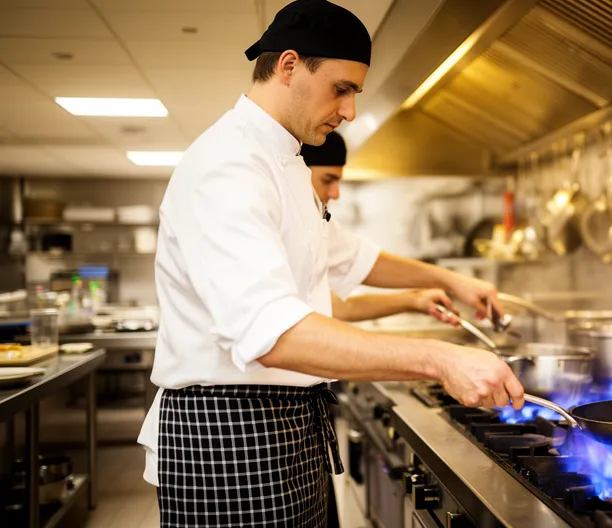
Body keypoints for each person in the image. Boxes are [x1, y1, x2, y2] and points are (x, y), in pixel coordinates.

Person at [137, 1, 524, 526]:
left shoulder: (288, 165)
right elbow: (274, 336)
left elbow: (350, 255)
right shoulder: (227, 167)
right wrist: (439, 358)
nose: (349, 112)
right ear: (290, 65)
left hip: (287, 425)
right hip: (229, 430)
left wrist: (449, 280)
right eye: (342, 88)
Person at [300, 131, 459, 325]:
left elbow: (360, 269)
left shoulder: (315, 222)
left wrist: (422, 296)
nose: (336, 193)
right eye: (327, 180)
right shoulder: (279, 221)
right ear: (299, 173)